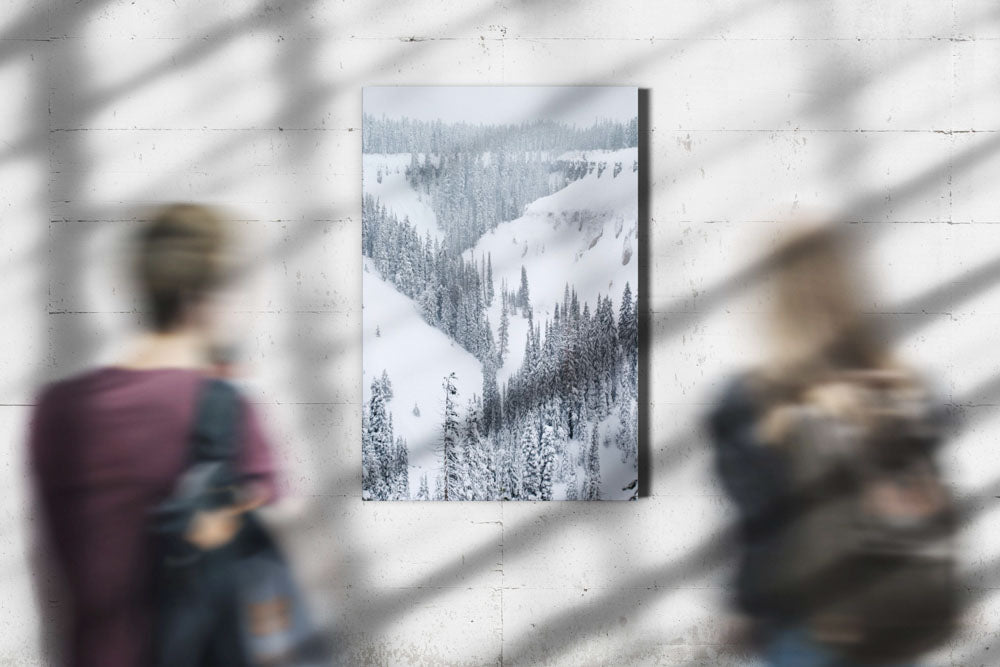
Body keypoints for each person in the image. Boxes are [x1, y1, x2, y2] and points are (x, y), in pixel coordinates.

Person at [29, 204, 278, 667]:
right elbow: (271, 586)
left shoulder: (56, 409)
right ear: (203, 297)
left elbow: (53, 584)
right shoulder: (225, 412)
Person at [707, 225, 957, 666]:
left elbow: (758, 525)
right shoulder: (909, 391)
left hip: (805, 625)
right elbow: (940, 507)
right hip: (898, 617)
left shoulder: (752, 404)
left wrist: (745, 608)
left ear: (775, 301)